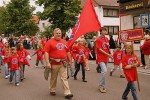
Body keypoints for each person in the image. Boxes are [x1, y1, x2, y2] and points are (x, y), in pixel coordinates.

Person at [44, 28, 73, 99]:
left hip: (63, 63)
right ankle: (52, 89)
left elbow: (68, 51)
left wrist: (70, 60)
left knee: (64, 78)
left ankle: (67, 92)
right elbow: (46, 52)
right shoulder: (49, 42)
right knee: (53, 78)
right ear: (54, 34)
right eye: (57, 33)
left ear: (61, 34)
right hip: (53, 63)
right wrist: (47, 62)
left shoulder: (64, 42)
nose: (58, 34)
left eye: (59, 33)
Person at [96, 27, 113, 93]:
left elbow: (107, 48)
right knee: (104, 71)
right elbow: (99, 49)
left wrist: (110, 53)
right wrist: (108, 54)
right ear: (101, 31)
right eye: (104, 30)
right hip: (101, 58)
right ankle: (100, 86)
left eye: (105, 31)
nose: (105, 32)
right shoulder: (98, 39)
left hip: (106, 57)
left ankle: (102, 85)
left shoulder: (106, 39)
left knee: (104, 72)